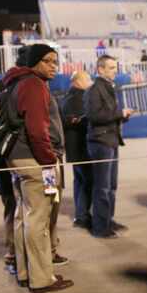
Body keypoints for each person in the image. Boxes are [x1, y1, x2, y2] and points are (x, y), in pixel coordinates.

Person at [3, 44, 72, 293]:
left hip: (16, 159)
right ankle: (42, 279)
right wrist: (49, 161)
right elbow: (37, 131)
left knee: (24, 217)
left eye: (56, 61)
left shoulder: (15, 82)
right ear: (34, 62)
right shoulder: (34, 85)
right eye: (48, 61)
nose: (54, 66)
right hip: (33, 160)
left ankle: (25, 273)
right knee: (38, 221)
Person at [0, 45, 28, 273]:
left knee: (10, 203)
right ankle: (18, 254)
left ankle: (12, 253)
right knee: (24, 203)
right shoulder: (24, 87)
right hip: (17, 154)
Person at [85, 55, 135, 238]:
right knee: (103, 187)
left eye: (115, 67)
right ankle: (100, 227)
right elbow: (94, 116)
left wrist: (122, 115)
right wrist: (118, 113)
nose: (116, 71)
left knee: (111, 186)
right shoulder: (94, 89)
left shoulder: (107, 87)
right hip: (100, 143)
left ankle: (107, 220)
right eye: (112, 68)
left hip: (110, 140)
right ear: (100, 70)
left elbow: (107, 115)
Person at [62, 70, 94, 230]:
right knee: (87, 182)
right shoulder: (78, 97)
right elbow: (80, 120)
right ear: (78, 81)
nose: (90, 81)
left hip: (75, 149)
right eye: (88, 78)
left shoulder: (69, 96)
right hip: (81, 147)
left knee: (80, 182)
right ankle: (83, 216)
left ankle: (81, 214)